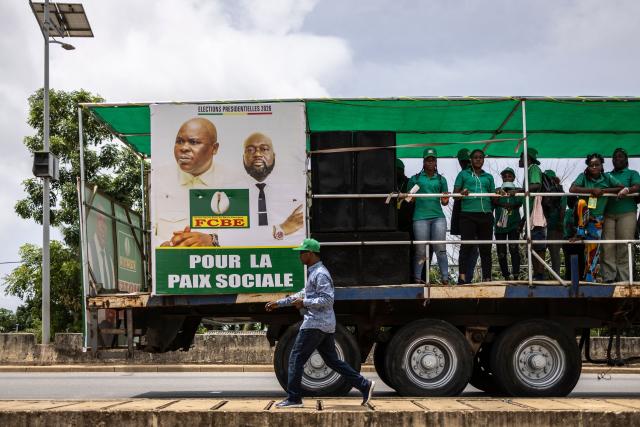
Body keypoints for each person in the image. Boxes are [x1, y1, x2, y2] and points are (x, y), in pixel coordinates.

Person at [265, 239, 375, 408]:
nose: (300, 255)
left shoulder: (320, 274)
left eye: (302, 252)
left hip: (315, 324)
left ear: (310, 254)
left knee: (295, 359)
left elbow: (327, 299)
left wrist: (305, 302)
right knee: (332, 361)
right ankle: (364, 385)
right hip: (324, 324)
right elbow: (303, 294)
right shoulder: (314, 272)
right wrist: (278, 303)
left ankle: (294, 399)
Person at [156, 117, 228, 247]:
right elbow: (147, 228)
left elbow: (246, 233)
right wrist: (162, 245)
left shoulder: (233, 180)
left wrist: (213, 240)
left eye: (194, 142)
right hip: (171, 264)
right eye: (179, 141)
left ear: (214, 148)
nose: (184, 148)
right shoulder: (158, 179)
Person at [569, 153, 624, 281]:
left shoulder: (607, 177)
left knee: (593, 251)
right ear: (587, 166)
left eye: (597, 164)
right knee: (581, 203)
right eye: (591, 165)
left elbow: (620, 187)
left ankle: (590, 278)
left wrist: (603, 191)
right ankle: (580, 232)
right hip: (583, 217)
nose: (594, 167)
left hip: (596, 220)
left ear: (601, 165)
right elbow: (572, 189)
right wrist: (592, 191)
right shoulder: (583, 177)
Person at [242, 132, 304, 242]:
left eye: (264, 149)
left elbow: (300, 226)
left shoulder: (294, 189)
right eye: (250, 150)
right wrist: (282, 229)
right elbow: (232, 233)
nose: (257, 154)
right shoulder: (229, 191)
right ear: (243, 157)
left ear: (274, 156)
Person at [407, 148, 450, 284]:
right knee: (420, 250)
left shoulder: (441, 179)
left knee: (440, 248)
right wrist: (411, 196)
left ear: (436, 162)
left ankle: (445, 277)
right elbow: (409, 199)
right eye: (428, 160)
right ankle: (418, 278)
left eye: (433, 160)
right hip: (420, 217)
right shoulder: (415, 178)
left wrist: (445, 198)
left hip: (438, 217)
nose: (430, 162)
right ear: (424, 162)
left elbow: (445, 202)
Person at [454, 149, 495, 283]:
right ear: (470, 160)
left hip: (486, 215)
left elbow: (494, 197)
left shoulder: (489, 177)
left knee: (486, 248)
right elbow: (455, 195)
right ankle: (462, 277)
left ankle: (487, 278)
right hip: (468, 215)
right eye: (475, 157)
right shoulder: (463, 174)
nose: (478, 159)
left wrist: (500, 192)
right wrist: (462, 192)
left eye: (481, 157)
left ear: (483, 160)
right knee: (466, 246)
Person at [602, 148, 640, 282]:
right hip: (607, 214)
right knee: (607, 246)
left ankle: (624, 278)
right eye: (615, 157)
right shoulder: (606, 175)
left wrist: (627, 189)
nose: (617, 159)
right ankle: (609, 277)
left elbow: (638, 186)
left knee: (625, 245)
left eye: (620, 156)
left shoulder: (632, 173)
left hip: (627, 213)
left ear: (626, 160)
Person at [450, 148, 479, 284]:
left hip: (471, 216)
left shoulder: (467, 174)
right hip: (469, 217)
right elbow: (457, 197)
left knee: (470, 248)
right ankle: (466, 278)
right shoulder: (467, 174)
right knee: (471, 248)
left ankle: (465, 278)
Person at [519, 147, 546, 280]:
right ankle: (537, 274)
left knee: (538, 246)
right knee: (533, 246)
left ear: (527, 158)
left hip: (537, 217)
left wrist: (520, 189)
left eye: (521, 156)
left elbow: (536, 185)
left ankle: (539, 274)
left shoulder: (533, 168)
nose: (519, 160)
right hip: (530, 216)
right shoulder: (529, 170)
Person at [493, 167, 523, 281]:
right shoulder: (496, 190)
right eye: (505, 176)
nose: (507, 177)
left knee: (514, 249)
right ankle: (506, 276)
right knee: (501, 252)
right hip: (500, 225)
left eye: (509, 176)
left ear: (513, 177)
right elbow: (492, 203)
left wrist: (515, 192)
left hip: (514, 224)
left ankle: (516, 275)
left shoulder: (519, 191)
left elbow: (520, 203)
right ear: (501, 177)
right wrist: (499, 194)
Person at [543, 169, 567, 276]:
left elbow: (562, 209)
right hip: (543, 227)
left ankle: (556, 277)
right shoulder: (542, 193)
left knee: (554, 253)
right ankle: (544, 276)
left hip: (554, 228)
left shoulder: (561, 194)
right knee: (542, 252)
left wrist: (560, 223)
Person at [562, 196, 585, 281]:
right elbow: (571, 226)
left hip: (567, 241)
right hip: (574, 241)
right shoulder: (574, 212)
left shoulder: (567, 212)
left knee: (569, 264)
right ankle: (580, 279)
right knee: (580, 264)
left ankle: (569, 280)